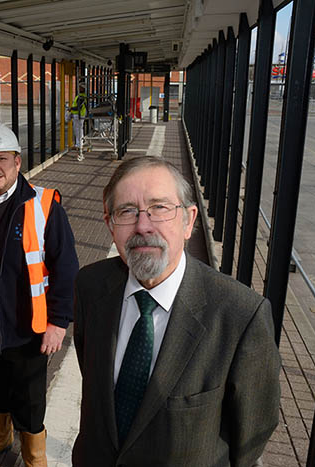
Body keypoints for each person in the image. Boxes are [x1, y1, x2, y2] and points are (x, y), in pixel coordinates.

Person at [72, 156, 281, 466]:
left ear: (189, 221)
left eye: (160, 208)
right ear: (110, 224)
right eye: (127, 211)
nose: (143, 226)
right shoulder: (91, 285)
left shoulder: (240, 315)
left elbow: (251, 435)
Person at [0, 122, 79, 467]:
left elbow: (66, 267)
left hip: (27, 327)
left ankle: (34, 455)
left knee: (29, 399)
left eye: (3, 159)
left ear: (18, 162)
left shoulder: (43, 204)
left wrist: (58, 321)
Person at [70, 84, 87, 161]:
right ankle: (79, 144)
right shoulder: (82, 96)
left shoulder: (81, 97)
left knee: (78, 131)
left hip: (78, 115)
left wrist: (70, 109)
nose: (79, 88)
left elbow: (78, 107)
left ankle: (79, 145)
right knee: (79, 130)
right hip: (79, 115)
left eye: (80, 87)